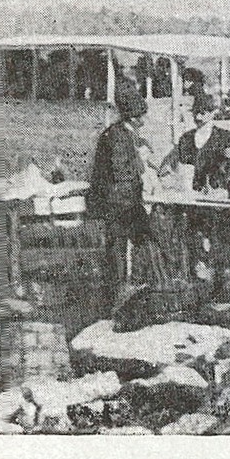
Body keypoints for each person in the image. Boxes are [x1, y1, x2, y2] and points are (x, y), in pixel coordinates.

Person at [88, 88, 152, 308]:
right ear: (134, 117)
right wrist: (141, 164)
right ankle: (120, 297)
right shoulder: (118, 137)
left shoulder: (121, 133)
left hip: (120, 200)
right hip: (118, 202)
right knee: (122, 248)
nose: (144, 119)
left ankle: (124, 292)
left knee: (125, 247)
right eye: (142, 115)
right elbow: (120, 171)